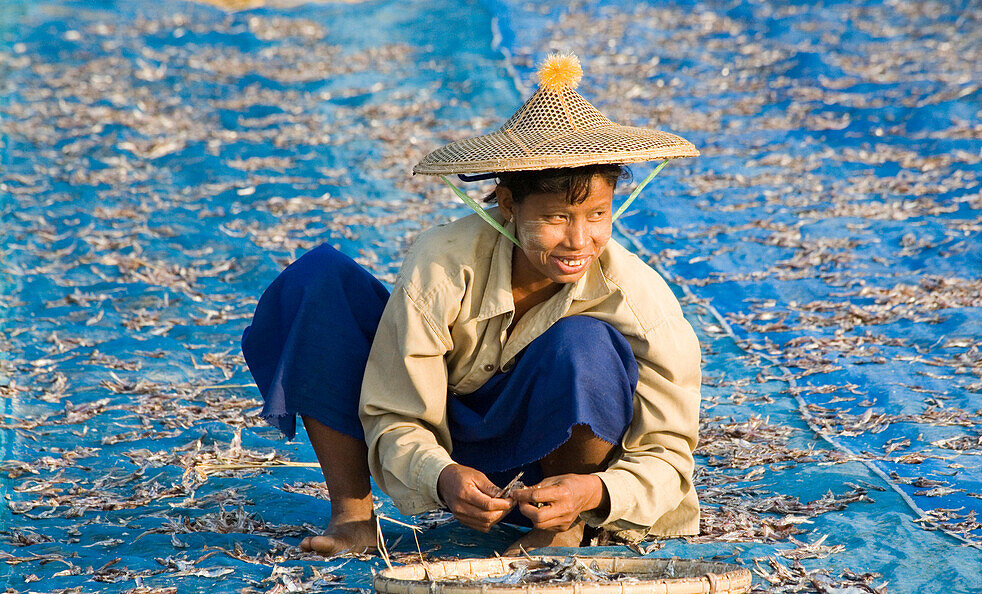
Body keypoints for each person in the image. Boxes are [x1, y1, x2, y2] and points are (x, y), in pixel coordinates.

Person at [241, 53, 703, 556]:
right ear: (506, 205)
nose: (579, 240)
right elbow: (394, 410)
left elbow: (667, 451)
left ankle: (561, 526)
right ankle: (352, 519)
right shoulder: (441, 265)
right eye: (554, 218)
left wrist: (594, 491)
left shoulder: (641, 300)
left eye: (597, 214)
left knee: (585, 340)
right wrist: (441, 477)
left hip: (551, 451)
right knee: (317, 281)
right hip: (450, 439)